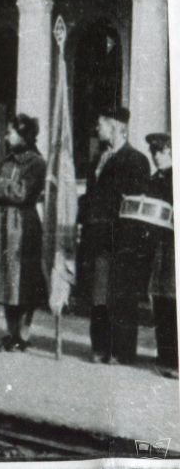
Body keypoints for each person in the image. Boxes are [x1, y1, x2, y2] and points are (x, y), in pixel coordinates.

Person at [77, 107, 151, 364]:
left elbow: (134, 204)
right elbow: (89, 196)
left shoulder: (136, 160)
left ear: (118, 127)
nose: (98, 129)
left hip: (121, 241)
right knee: (99, 296)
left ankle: (122, 351)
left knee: (120, 297)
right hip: (97, 238)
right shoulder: (98, 158)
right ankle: (100, 347)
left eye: (102, 124)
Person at [0, 114, 48, 352]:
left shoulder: (36, 162)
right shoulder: (6, 159)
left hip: (21, 227)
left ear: (23, 134)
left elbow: (22, 192)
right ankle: (11, 332)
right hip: (0, 227)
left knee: (22, 282)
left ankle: (22, 335)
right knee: (6, 280)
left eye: (11, 132)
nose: (7, 136)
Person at [145, 133, 176, 378]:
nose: (155, 155)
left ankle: (175, 359)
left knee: (173, 300)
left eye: (160, 151)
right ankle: (164, 355)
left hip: (173, 246)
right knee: (160, 301)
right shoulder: (154, 179)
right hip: (159, 248)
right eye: (153, 151)